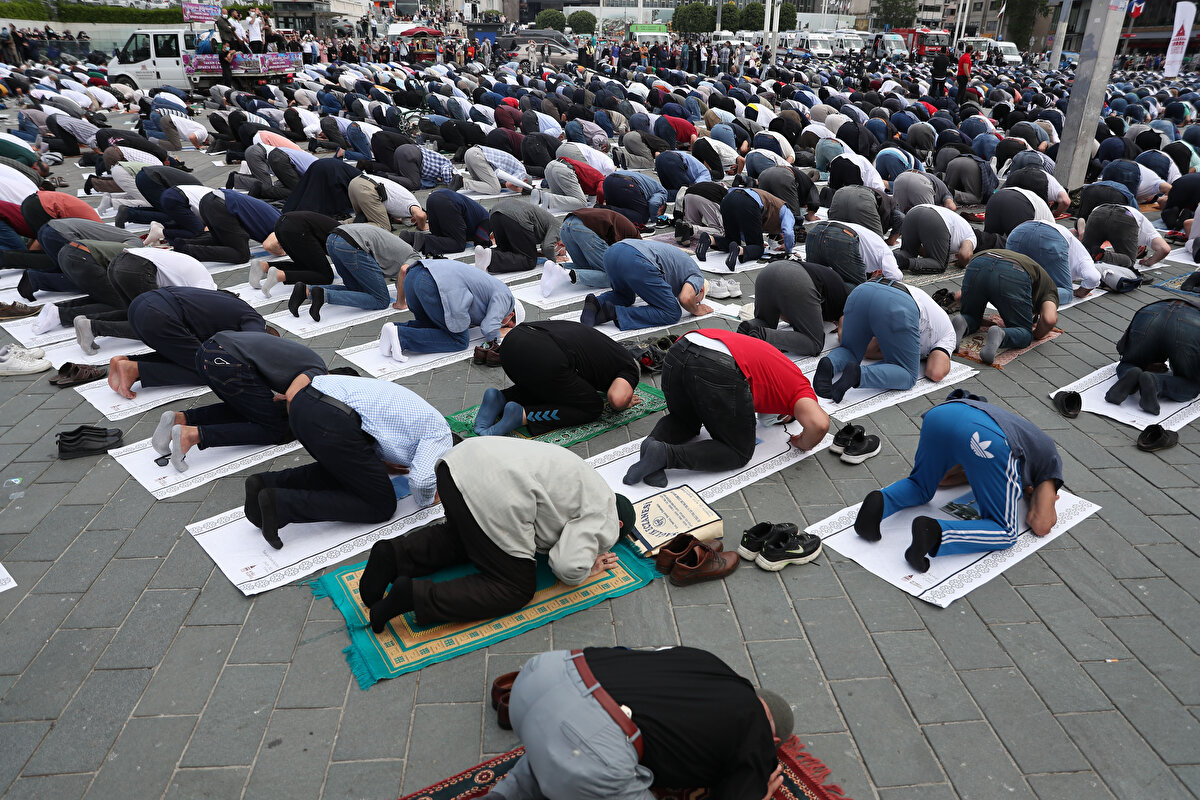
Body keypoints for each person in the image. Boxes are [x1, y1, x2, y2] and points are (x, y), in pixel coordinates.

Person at [357, 438, 633, 630]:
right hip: (499, 493)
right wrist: (587, 568)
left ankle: (394, 555)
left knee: (466, 536)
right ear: (619, 524)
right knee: (515, 587)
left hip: (456, 464)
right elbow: (567, 566)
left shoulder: (586, 478)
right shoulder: (606, 514)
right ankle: (413, 596)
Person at [484, 646, 791, 800]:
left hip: (540, 676)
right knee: (581, 748)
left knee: (561, 745)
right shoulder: (758, 733)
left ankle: (505, 794)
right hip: (584, 743)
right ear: (774, 740)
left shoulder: (707, 661)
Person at [854, 390, 1063, 573]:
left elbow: (944, 479)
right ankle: (936, 533)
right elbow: (1041, 524)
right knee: (1005, 532)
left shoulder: (1027, 437)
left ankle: (881, 501)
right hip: (989, 438)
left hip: (942, 414)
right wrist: (1049, 499)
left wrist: (982, 475)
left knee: (920, 485)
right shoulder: (1049, 459)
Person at [246, 373, 453, 549]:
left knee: (345, 473)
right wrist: (431, 498)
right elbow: (421, 481)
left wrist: (380, 461)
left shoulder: (425, 418)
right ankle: (282, 504)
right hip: (332, 420)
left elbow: (376, 428)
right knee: (381, 505)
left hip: (305, 404)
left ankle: (265, 483)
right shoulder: (441, 436)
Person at [623, 329, 829, 487]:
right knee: (738, 451)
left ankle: (652, 445)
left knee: (684, 420)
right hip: (716, 364)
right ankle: (664, 455)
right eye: (786, 418)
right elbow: (819, 424)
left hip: (682, 347)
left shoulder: (779, 370)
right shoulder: (800, 388)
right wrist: (803, 442)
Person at [152, 331, 335, 472]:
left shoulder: (308, 360)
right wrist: (303, 428)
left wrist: (279, 398)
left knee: (247, 408)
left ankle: (181, 419)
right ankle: (192, 435)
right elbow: (294, 395)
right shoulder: (318, 371)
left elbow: (288, 390)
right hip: (229, 361)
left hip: (207, 351)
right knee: (276, 430)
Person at [473, 320, 641, 437]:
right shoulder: (629, 367)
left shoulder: (608, 348)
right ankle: (523, 415)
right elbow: (616, 399)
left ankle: (500, 398)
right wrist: (625, 403)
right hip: (546, 356)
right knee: (591, 406)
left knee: (551, 385)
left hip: (512, 343)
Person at [813, 278, 958, 402]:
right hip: (896, 305)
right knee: (907, 375)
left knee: (851, 350)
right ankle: (858, 375)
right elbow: (936, 372)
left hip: (863, 291)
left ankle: (829, 363)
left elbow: (871, 349)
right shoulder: (949, 336)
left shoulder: (934, 315)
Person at [380, 258, 522, 359]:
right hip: (433, 282)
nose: (503, 325)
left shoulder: (492, 288)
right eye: (508, 325)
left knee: (432, 326)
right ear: (511, 314)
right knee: (459, 340)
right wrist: (498, 335)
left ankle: (393, 329)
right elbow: (489, 327)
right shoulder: (507, 298)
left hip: (415, 274)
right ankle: (401, 336)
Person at [948, 250, 1060, 365]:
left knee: (971, 316)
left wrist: (976, 317)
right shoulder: (1050, 289)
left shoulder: (1037, 276)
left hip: (979, 261)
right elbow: (1049, 319)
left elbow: (959, 296)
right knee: (1025, 334)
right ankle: (1000, 334)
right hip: (1014, 272)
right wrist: (1037, 334)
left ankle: (963, 321)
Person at [289, 222, 415, 319]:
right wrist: (400, 302)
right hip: (351, 244)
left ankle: (307, 290)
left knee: (356, 289)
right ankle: (323, 295)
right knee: (381, 300)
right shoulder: (416, 258)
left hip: (333, 239)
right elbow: (404, 271)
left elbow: (401, 281)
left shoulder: (401, 250)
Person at [582, 240, 710, 332]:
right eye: (699, 300)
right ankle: (614, 312)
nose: (697, 302)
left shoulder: (683, 267)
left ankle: (595, 303)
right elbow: (685, 298)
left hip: (613, 252)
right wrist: (696, 309)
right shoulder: (697, 276)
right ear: (701, 289)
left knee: (624, 296)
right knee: (672, 312)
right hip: (636, 258)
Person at [1106, 298, 1200, 415]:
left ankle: (1131, 373)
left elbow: (1122, 346)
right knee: (1191, 384)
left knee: (1129, 363)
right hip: (1192, 326)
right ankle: (1156, 382)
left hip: (1151, 312)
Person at [739, 260, 846, 357]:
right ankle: (763, 335)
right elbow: (844, 335)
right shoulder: (846, 303)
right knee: (815, 344)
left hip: (768, 272)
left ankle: (749, 327)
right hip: (795, 281)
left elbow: (786, 316)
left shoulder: (834, 289)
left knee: (764, 322)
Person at [695, 187, 797, 269]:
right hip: (748, 202)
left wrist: (752, 242)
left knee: (731, 240)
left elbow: (743, 229)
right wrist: (789, 251)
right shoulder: (787, 212)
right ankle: (739, 250)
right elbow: (788, 232)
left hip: (728, 200)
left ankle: (709, 239)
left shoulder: (773, 209)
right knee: (759, 249)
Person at [475, 199, 560, 275]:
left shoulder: (548, 221)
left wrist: (543, 253)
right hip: (516, 216)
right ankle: (493, 257)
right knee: (529, 260)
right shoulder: (558, 227)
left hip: (495, 213)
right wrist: (554, 262)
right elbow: (547, 247)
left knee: (506, 250)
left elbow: (543, 247)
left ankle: (484, 253)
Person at [894, 203, 977, 275]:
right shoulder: (972, 236)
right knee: (939, 264)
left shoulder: (962, 229)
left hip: (914, 212)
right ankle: (904, 263)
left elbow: (921, 250)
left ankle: (890, 258)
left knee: (907, 253)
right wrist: (962, 264)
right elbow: (965, 255)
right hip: (934, 218)